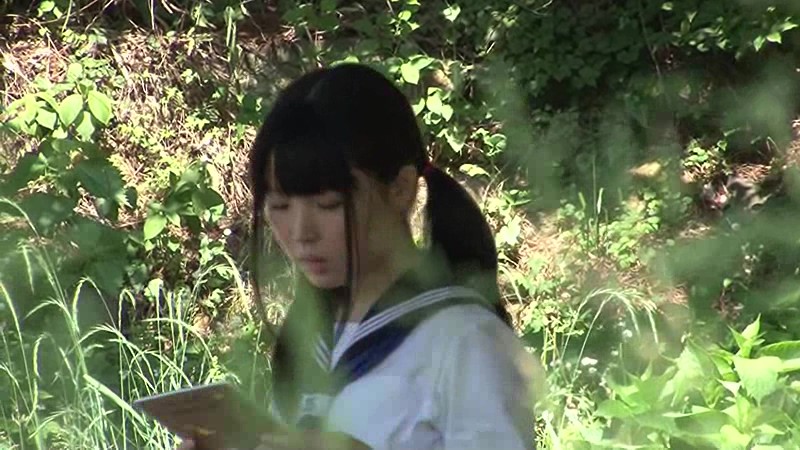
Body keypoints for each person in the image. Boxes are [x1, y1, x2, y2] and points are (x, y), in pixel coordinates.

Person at [179, 63, 540, 450]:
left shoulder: (465, 340)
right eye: (279, 206)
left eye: (328, 204)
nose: (301, 233)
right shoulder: (313, 335)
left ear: (401, 188)